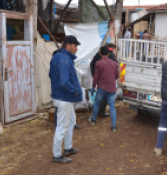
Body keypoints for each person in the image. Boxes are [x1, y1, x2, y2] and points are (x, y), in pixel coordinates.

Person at [49, 35, 82, 163]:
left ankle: (67, 148)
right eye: (75, 46)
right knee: (62, 126)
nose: (76, 49)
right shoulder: (64, 60)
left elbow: (51, 76)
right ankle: (57, 155)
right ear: (67, 45)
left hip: (62, 96)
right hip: (64, 98)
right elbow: (64, 82)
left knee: (72, 121)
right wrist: (75, 90)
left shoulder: (57, 57)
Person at [89, 47, 119, 132]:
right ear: (109, 54)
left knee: (97, 104)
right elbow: (117, 76)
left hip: (101, 88)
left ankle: (93, 120)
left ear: (100, 54)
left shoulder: (98, 63)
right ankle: (113, 126)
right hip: (112, 88)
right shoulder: (114, 64)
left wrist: (93, 87)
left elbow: (96, 77)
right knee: (112, 107)